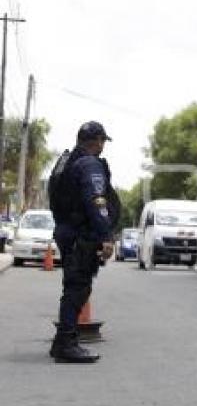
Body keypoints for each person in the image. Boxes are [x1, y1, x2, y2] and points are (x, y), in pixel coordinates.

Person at [47, 121, 120, 363]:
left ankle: (62, 341)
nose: (103, 146)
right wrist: (107, 236)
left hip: (66, 230)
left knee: (73, 286)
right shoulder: (89, 163)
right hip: (81, 235)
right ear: (97, 140)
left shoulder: (67, 161)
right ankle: (66, 343)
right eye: (102, 141)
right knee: (78, 288)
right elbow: (96, 200)